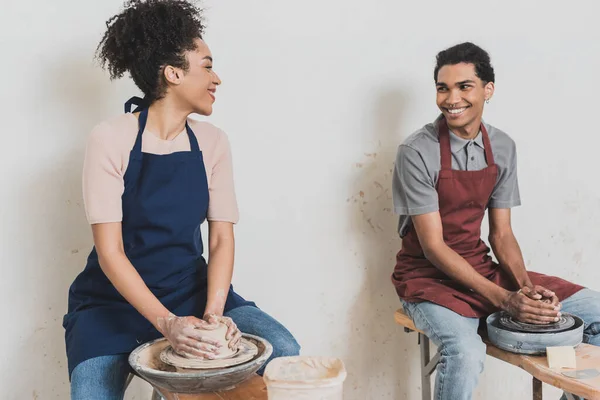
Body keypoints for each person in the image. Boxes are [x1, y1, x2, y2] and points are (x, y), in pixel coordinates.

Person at [62, 1, 300, 398]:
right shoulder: (111, 138)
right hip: (111, 302)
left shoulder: (212, 142)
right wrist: (168, 323)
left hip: (190, 289)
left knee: (286, 351)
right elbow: (110, 252)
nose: (217, 78)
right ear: (173, 73)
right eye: (207, 66)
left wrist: (213, 314)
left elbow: (222, 238)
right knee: (91, 394)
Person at [391, 42, 600, 400]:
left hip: (481, 269)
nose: (451, 98)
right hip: (427, 278)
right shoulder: (416, 152)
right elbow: (434, 247)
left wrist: (523, 288)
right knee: (465, 353)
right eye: (443, 88)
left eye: (464, 86)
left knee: (595, 311)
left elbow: (501, 234)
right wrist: (505, 300)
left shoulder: (502, 147)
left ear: (488, 90)